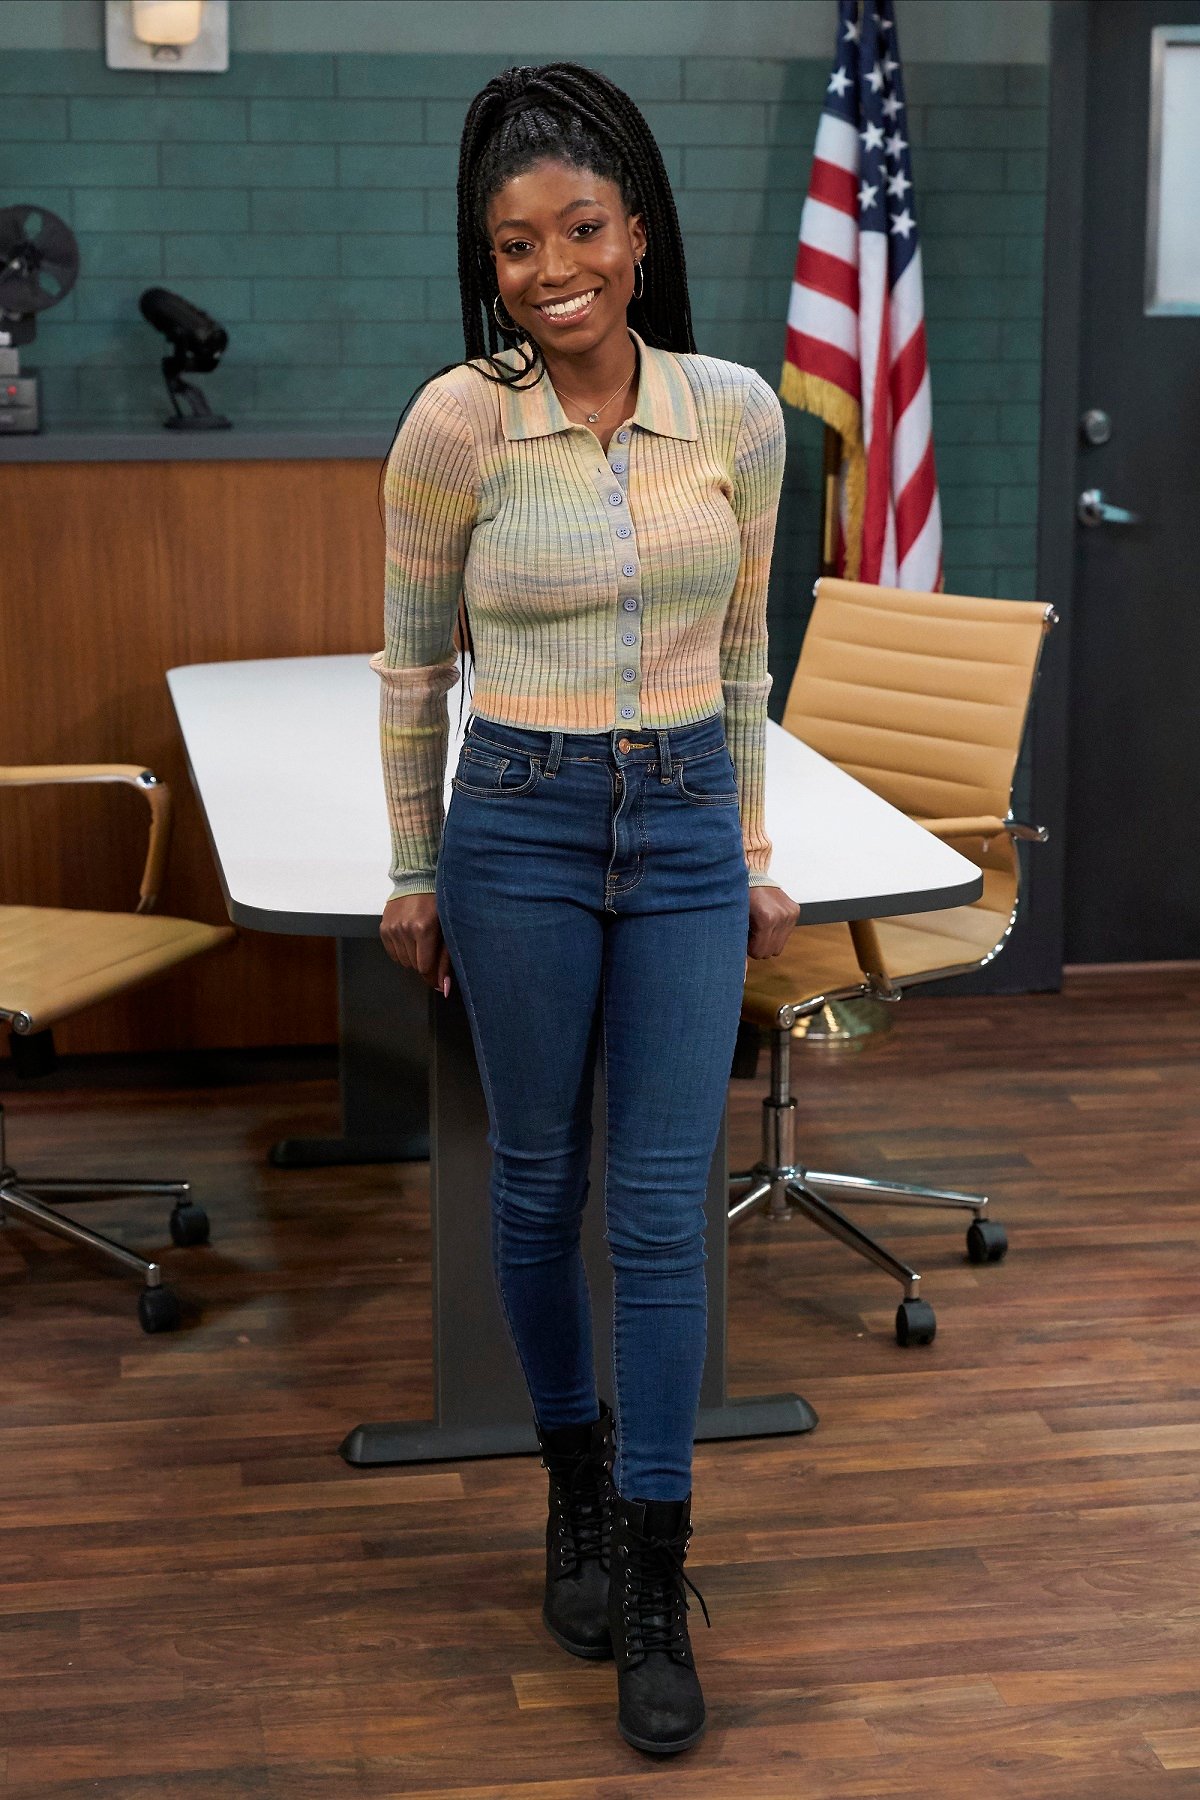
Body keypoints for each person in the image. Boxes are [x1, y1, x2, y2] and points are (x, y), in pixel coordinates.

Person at [374, 61, 798, 1757]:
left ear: (637, 234)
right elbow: (416, 671)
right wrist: (414, 868)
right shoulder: (455, 425)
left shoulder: (740, 416)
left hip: (689, 822)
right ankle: (570, 1476)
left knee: (658, 1213)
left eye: (580, 232)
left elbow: (752, 647)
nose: (548, 270)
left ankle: (652, 1562)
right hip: (524, 831)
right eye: (513, 245)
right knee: (538, 1187)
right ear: (487, 262)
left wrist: (753, 841)